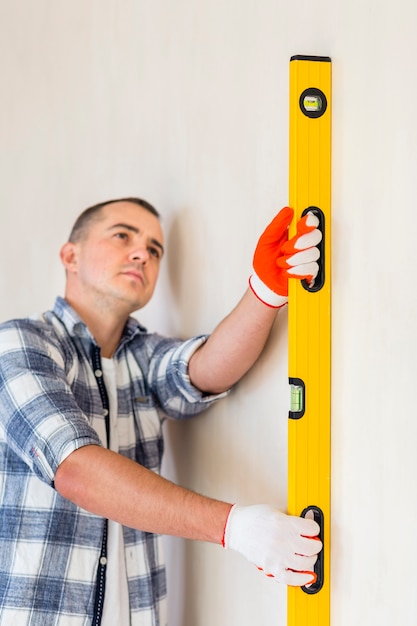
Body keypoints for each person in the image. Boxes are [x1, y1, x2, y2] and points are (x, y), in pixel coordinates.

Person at [0, 197, 322, 626]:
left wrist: (265, 291)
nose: (142, 254)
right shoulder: (20, 344)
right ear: (70, 256)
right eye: (123, 236)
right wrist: (235, 527)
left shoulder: (142, 357)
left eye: (155, 249)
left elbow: (206, 369)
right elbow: (75, 468)